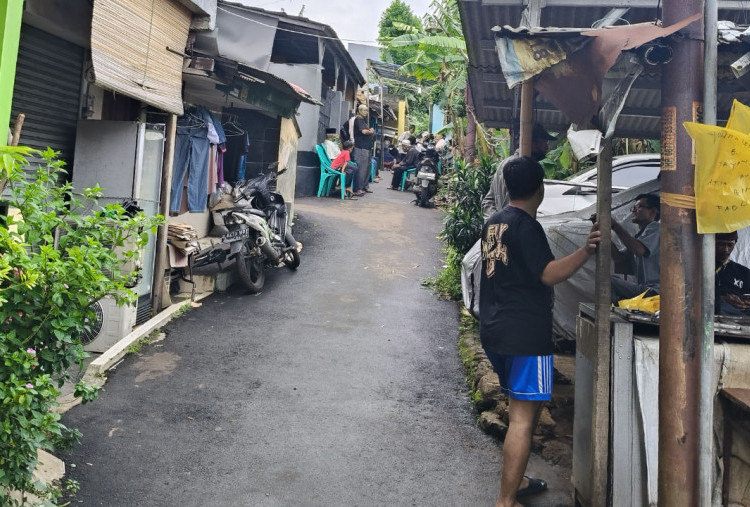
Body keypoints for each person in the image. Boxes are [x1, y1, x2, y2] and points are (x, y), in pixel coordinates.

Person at [480, 156, 600, 507]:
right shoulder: (526, 225)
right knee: (523, 417)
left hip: (495, 330)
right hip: (525, 337)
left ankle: (518, 481)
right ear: (540, 188)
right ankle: (506, 499)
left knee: (521, 410)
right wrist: (586, 249)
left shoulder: (495, 222)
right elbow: (548, 273)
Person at [482, 123, 556, 221]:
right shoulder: (522, 168)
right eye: (544, 142)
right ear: (532, 142)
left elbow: (488, 201)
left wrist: (497, 224)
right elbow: (490, 200)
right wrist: (500, 224)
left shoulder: (505, 164)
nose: (546, 148)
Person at [608, 193, 661, 304]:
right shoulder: (639, 237)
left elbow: (640, 250)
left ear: (653, 211)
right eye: (634, 208)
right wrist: (603, 234)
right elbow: (620, 261)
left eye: (639, 207)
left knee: (608, 281)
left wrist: (615, 226)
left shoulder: (656, 228)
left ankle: (610, 316)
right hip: (645, 289)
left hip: (656, 291)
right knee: (610, 279)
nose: (634, 210)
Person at [715, 231, 750, 316]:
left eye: (730, 245)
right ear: (713, 243)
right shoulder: (700, 269)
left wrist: (746, 303)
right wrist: (723, 299)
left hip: (741, 317)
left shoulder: (744, 272)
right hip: (715, 312)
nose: (726, 249)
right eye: (721, 244)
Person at [353, 104, 375, 193]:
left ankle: (364, 186)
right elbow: (364, 131)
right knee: (362, 168)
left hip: (367, 147)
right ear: (360, 111)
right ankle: (358, 188)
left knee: (367, 168)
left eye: (366, 110)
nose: (366, 112)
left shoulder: (364, 120)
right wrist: (370, 131)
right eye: (364, 110)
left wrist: (371, 131)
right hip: (361, 147)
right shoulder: (359, 119)